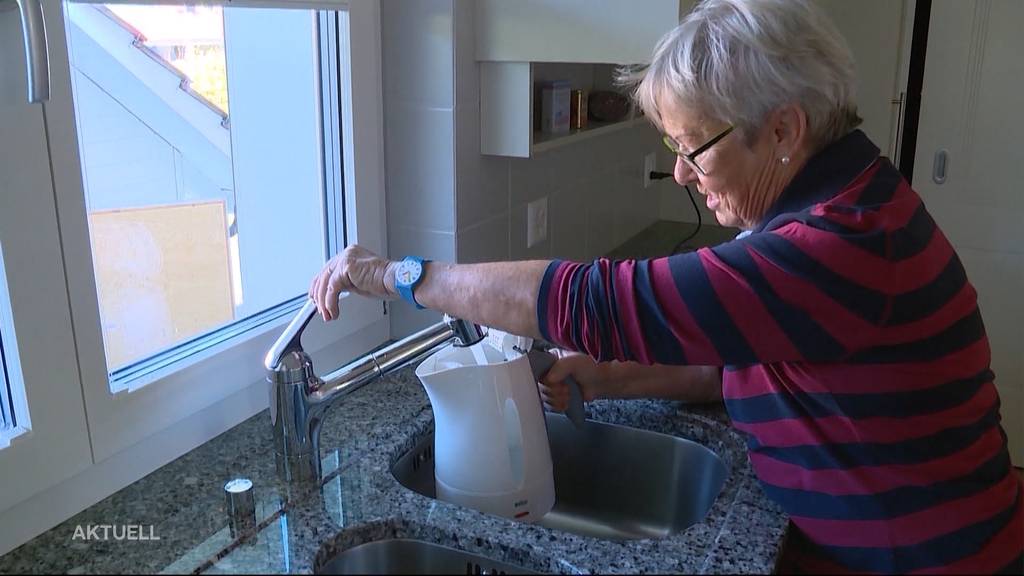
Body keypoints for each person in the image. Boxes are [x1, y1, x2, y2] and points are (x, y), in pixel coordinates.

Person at [308, 0, 1023, 572]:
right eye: (673, 147)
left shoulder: (836, 244)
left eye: (694, 146)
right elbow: (740, 358)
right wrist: (612, 378)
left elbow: (597, 301)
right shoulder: (836, 199)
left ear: (783, 129)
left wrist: (401, 276)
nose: (681, 172)